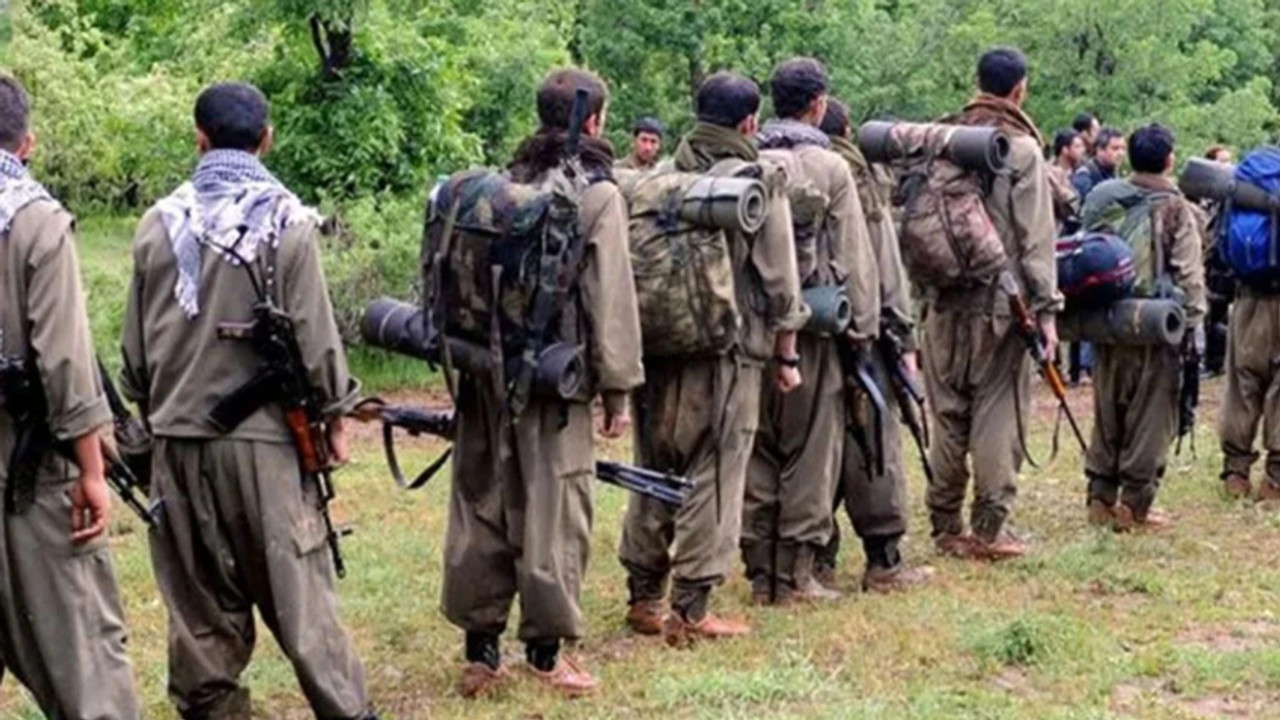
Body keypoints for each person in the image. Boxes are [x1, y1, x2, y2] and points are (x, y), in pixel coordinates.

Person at [121, 82, 376, 720]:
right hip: (264, 447)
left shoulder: (158, 223)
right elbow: (315, 336)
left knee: (199, 610)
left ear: (199, 138)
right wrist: (335, 415)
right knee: (302, 600)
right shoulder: (286, 221)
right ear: (267, 139)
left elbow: (134, 359)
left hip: (176, 444)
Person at [432, 68, 644, 697]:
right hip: (554, 379)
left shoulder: (503, 183)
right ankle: (547, 657)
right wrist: (618, 391)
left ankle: (480, 652)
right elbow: (610, 299)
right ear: (594, 120)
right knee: (555, 509)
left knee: (481, 499)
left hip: (483, 370)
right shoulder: (596, 194)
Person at [619, 71, 807, 640]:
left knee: (653, 465)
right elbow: (780, 281)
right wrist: (787, 355)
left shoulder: (659, 177)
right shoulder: (757, 180)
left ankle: (644, 596)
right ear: (750, 122)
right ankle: (692, 608)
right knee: (716, 472)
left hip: (659, 346)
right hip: (728, 352)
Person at [0, 73, 141, 720]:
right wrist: (92, 470)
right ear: (26, 143)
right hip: (27, 470)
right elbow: (64, 362)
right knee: (88, 670)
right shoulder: (36, 221)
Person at [745, 58, 880, 604]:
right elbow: (855, 258)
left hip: (750, 328)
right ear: (819, 104)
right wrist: (863, 331)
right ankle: (797, 573)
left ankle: (760, 573)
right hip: (814, 329)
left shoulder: (745, 158)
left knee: (758, 449)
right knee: (810, 451)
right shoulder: (830, 167)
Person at [922, 47, 1061, 560]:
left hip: (941, 299)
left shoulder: (941, 139)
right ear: (1019, 89)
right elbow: (1035, 239)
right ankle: (989, 528)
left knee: (947, 413)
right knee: (998, 411)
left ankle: (944, 523)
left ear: (977, 82)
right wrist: (1047, 311)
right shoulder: (1020, 150)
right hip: (1003, 306)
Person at [815, 97, 934, 592]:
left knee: (809, 447)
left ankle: (815, 557)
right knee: (872, 443)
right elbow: (883, 261)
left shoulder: (775, 163)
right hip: (862, 330)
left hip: (802, 330)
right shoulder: (855, 176)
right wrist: (901, 335)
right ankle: (883, 560)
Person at [1078, 124, 1206, 531]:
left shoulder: (1105, 198)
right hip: (1154, 323)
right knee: (1151, 414)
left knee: (1108, 409)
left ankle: (1100, 497)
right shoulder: (1175, 206)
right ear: (1169, 159)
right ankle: (1134, 505)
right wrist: (1193, 324)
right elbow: (1189, 272)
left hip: (1107, 320)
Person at [1072, 127, 1126, 201]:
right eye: (1115, 148)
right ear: (1100, 150)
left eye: (1123, 149)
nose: (1121, 153)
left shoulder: (1112, 173)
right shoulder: (1085, 175)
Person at [1047, 129, 1084, 233]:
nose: (1082, 150)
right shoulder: (1048, 172)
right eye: (1077, 147)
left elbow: (1075, 205)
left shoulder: (1084, 171)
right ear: (1065, 150)